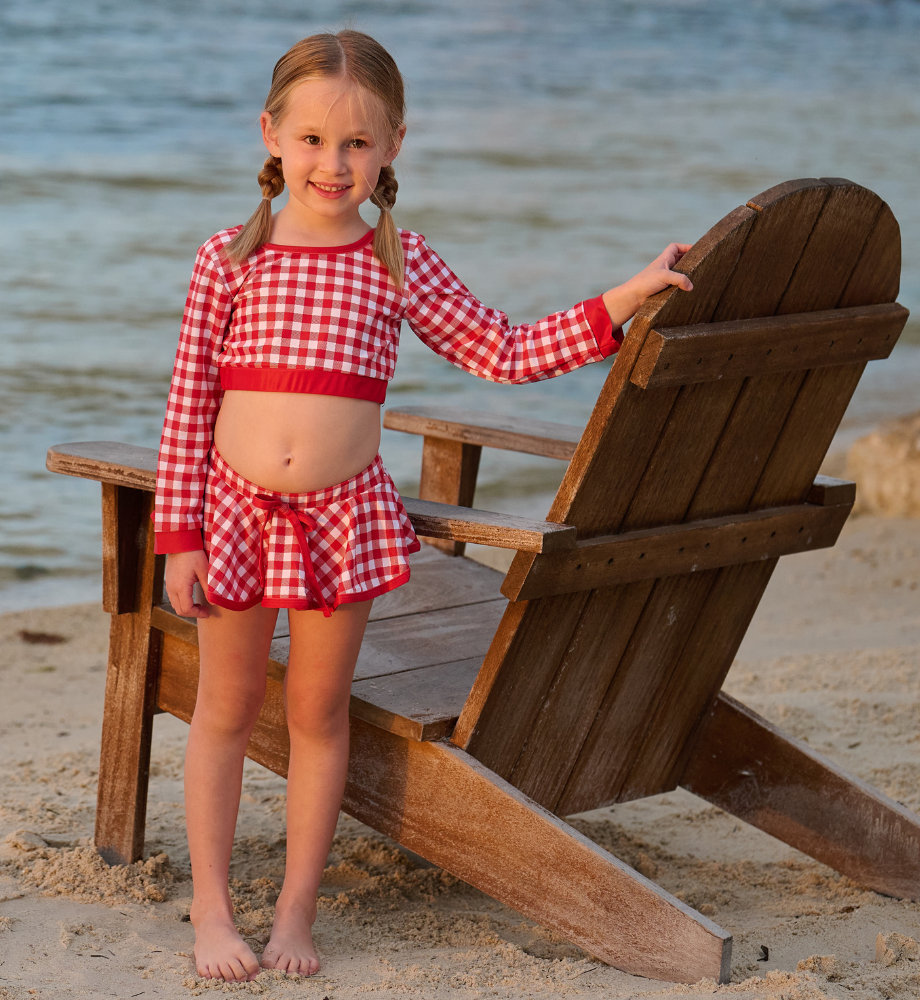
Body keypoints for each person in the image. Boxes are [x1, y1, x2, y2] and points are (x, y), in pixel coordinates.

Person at [155, 29, 693, 983]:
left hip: (342, 520)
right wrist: (180, 534)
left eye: (356, 143)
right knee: (226, 710)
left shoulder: (399, 264)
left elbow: (506, 351)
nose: (333, 162)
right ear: (271, 134)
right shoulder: (227, 259)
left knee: (321, 717)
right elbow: (190, 401)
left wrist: (625, 298)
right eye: (313, 139)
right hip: (235, 516)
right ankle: (210, 911)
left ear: (394, 145)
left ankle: (293, 916)